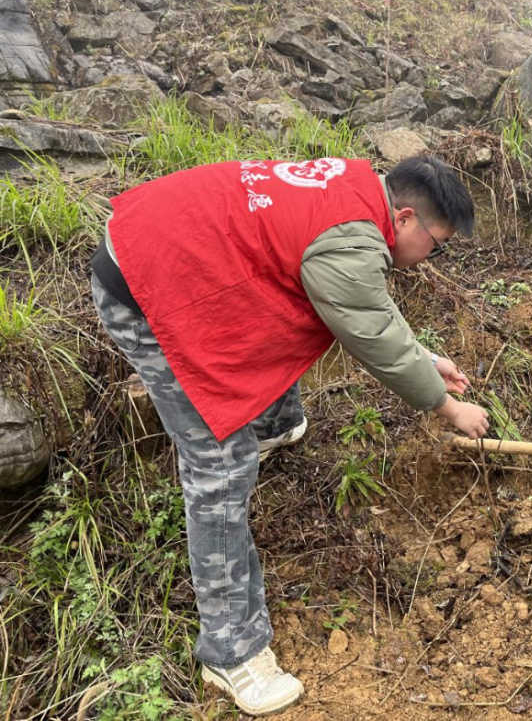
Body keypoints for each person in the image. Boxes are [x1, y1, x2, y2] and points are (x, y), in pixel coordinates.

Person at [90, 155, 490, 715]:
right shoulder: (350, 240)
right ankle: (230, 653)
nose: (431, 257)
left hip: (168, 250)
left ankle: (273, 423)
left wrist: (426, 358)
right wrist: (447, 407)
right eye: (437, 245)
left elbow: (358, 303)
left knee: (284, 296)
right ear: (404, 219)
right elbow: (368, 327)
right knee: (221, 465)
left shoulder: (355, 191)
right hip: (146, 288)